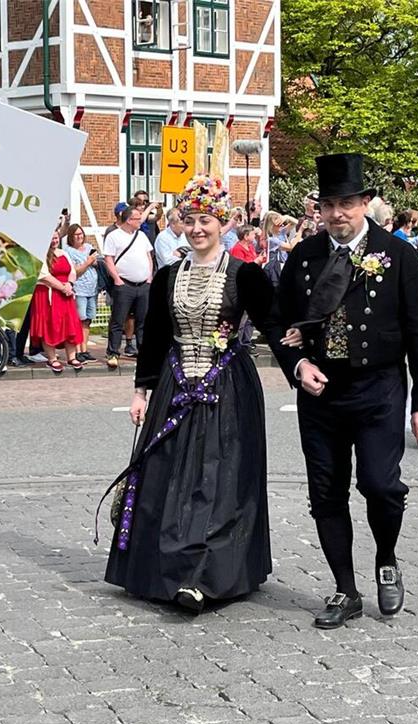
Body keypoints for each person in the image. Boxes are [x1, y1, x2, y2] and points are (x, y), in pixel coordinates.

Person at [267, 153, 418, 628]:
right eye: (329, 205)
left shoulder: (399, 254)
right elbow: (278, 322)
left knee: (381, 485)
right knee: (325, 493)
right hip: (320, 392)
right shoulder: (304, 258)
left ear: (366, 203)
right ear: (318, 209)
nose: (338, 213)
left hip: (379, 387)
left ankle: (386, 556)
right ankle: (345, 590)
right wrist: (298, 363)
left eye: (347, 203)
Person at [104, 175, 274, 614]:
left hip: (228, 390)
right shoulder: (167, 276)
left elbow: (278, 323)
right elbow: (156, 338)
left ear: (222, 223)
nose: (198, 228)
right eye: (191, 219)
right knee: (166, 476)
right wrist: (141, 390)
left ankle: (205, 575)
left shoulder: (245, 274)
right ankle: (162, 569)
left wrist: (306, 359)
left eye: (207, 220)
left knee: (218, 481)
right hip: (175, 386)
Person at [103, 203, 154, 369]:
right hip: (125, 284)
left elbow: (148, 256)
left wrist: (149, 276)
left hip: (143, 284)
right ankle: (113, 352)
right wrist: (117, 278)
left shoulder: (141, 236)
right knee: (118, 320)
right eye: (137, 219)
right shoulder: (114, 236)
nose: (140, 221)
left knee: (143, 320)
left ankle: (143, 351)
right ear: (128, 220)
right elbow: (108, 259)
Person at [31, 230, 84, 372]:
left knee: (69, 324)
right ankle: (52, 358)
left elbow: (72, 271)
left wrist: (70, 284)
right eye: (51, 239)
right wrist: (63, 288)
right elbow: (44, 276)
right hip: (47, 293)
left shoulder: (63, 253)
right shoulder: (40, 255)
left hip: (65, 293)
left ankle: (71, 357)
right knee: (49, 324)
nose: (54, 241)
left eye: (55, 238)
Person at [64, 224, 100, 362]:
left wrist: (94, 261)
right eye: (76, 235)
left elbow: (97, 264)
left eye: (81, 234)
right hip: (79, 289)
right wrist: (88, 262)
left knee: (88, 320)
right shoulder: (69, 252)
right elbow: (75, 271)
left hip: (92, 289)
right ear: (71, 237)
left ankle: (84, 349)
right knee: (80, 319)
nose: (79, 237)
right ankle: (77, 350)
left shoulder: (89, 248)